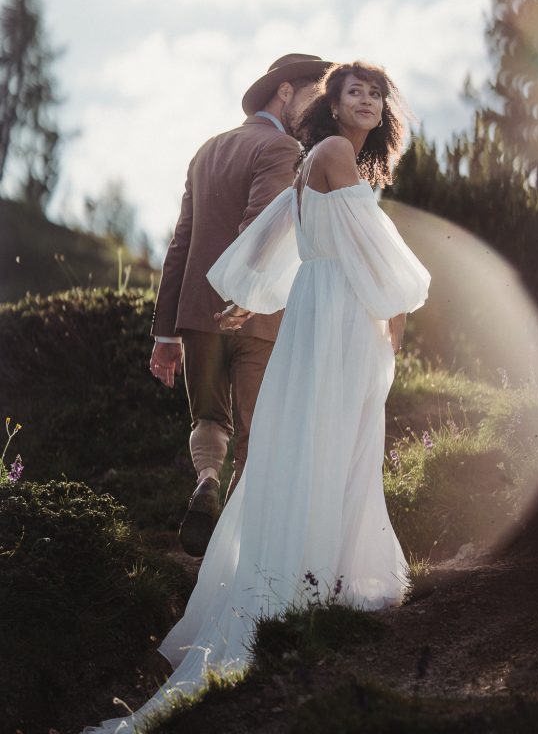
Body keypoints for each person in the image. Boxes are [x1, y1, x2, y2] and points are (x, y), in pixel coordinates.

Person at [83, 61, 430, 734]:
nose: (364, 98)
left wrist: (248, 291)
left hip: (324, 309)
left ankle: (313, 569)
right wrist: (402, 307)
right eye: (352, 89)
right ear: (331, 104)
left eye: (375, 92)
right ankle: (312, 582)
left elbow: (274, 226)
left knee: (313, 438)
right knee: (325, 439)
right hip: (337, 312)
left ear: (385, 110)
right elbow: (378, 248)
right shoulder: (330, 152)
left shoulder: (320, 160)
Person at [149, 52, 332, 557]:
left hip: (196, 312)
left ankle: (207, 480)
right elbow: (261, 227)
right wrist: (248, 297)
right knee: (257, 429)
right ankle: (237, 547)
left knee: (208, 418)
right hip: (256, 311)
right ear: (286, 92)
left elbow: (180, 243)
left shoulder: (207, 150)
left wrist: (165, 333)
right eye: (316, 94)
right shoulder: (284, 147)